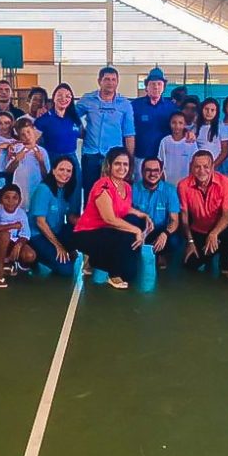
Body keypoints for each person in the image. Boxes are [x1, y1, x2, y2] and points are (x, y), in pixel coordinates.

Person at [73, 147, 151, 290]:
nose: (122, 168)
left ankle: (98, 260)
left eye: (125, 164)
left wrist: (143, 215)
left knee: (130, 273)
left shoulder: (126, 186)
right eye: (117, 163)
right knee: (128, 231)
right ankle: (110, 272)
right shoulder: (103, 186)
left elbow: (123, 207)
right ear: (109, 165)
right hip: (88, 233)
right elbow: (109, 219)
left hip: (107, 231)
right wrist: (137, 231)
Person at [76, 66, 135, 202]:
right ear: (99, 81)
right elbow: (71, 117)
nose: (110, 83)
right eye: (107, 79)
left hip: (114, 157)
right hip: (91, 155)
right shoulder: (88, 100)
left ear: (118, 82)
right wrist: (81, 132)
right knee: (90, 193)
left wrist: (130, 159)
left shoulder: (125, 104)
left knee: (112, 194)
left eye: (114, 80)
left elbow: (129, 134)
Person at [178, 150, 228, 273]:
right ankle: (211, 252)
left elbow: (227, 215)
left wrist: (214, 233)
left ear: (213, 166)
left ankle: (224, 259)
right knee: (190, 263)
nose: (201, 171)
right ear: (191, 167)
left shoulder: (226, 182)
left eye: (206, 166)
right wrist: (190, 241)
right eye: (197, 167)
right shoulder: (183, 185)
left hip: (220, 230)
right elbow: (184, 217)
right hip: (198, 230)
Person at [28, 156, 80, 277]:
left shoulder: (65, 189)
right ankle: (34, 254)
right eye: (61, 169)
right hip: (38, 235)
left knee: (80, 233)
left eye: (69, 171)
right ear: (53, 171)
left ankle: (64, 251)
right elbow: (40, 222)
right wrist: (58, 246)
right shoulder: (44, 189)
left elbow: (70, 216)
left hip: (56, 231)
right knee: (66, 270)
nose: (65, 173)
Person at [0, 184, 36, 288]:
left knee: (30, 255)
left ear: (20, 200)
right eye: (7, 197)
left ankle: (8, 262)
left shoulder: (21, 213)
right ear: (1, 199)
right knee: (4, 235)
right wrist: (13, 225)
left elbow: (26, 234)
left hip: (12, 242)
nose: (11, 201)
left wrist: (19, 245)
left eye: (15, 198)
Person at [132, 158, 181, 269]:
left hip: (161, 229)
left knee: (174, 241)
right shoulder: (133, 189)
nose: (152, 174)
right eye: (148, 170)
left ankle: (160, 253)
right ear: (142, 171)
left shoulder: (170, 190)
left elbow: (175, 220)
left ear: (161, 172)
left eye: (156, 170)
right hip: (140, 229)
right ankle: (139, 252)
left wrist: (165, 234)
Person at [130, 67, 178, 178]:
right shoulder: (135, 106)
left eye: (159, 84)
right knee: (140, 186)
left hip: (164, 158)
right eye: (152, 84)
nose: (156, 87)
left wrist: (188, 132)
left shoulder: (171, 107)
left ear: (164, 87)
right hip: (141, 157)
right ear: (146, 86)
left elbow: (179, 127)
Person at [6, 117, 49, 210]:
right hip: (20, 192)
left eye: (29, 132)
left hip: (36, 191)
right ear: (19, 136)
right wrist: (17, 160)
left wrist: (41, 162)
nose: (27, 136)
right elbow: (9, 171)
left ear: (33, 130)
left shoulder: (42, 151)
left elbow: (47, 176)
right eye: (23, 134)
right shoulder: (15, 149)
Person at [158, 111, 197, 185]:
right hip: (168, 182)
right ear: (169, 123)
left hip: (185, 182)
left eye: (180, 123)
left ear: (185, 125)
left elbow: (194, 162)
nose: (177, 126)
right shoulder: (165, 141)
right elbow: (161, 161)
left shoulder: (190, 142)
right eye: (174, 123)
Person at [196, 97, 228, 168]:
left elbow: (225, 151)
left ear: (216, 112)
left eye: (212, 110)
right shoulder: (195, 127)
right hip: (199, 166)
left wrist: (212, 166)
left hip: (215, 167)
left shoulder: (221, 126)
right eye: (206, 109)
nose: (209, 112)